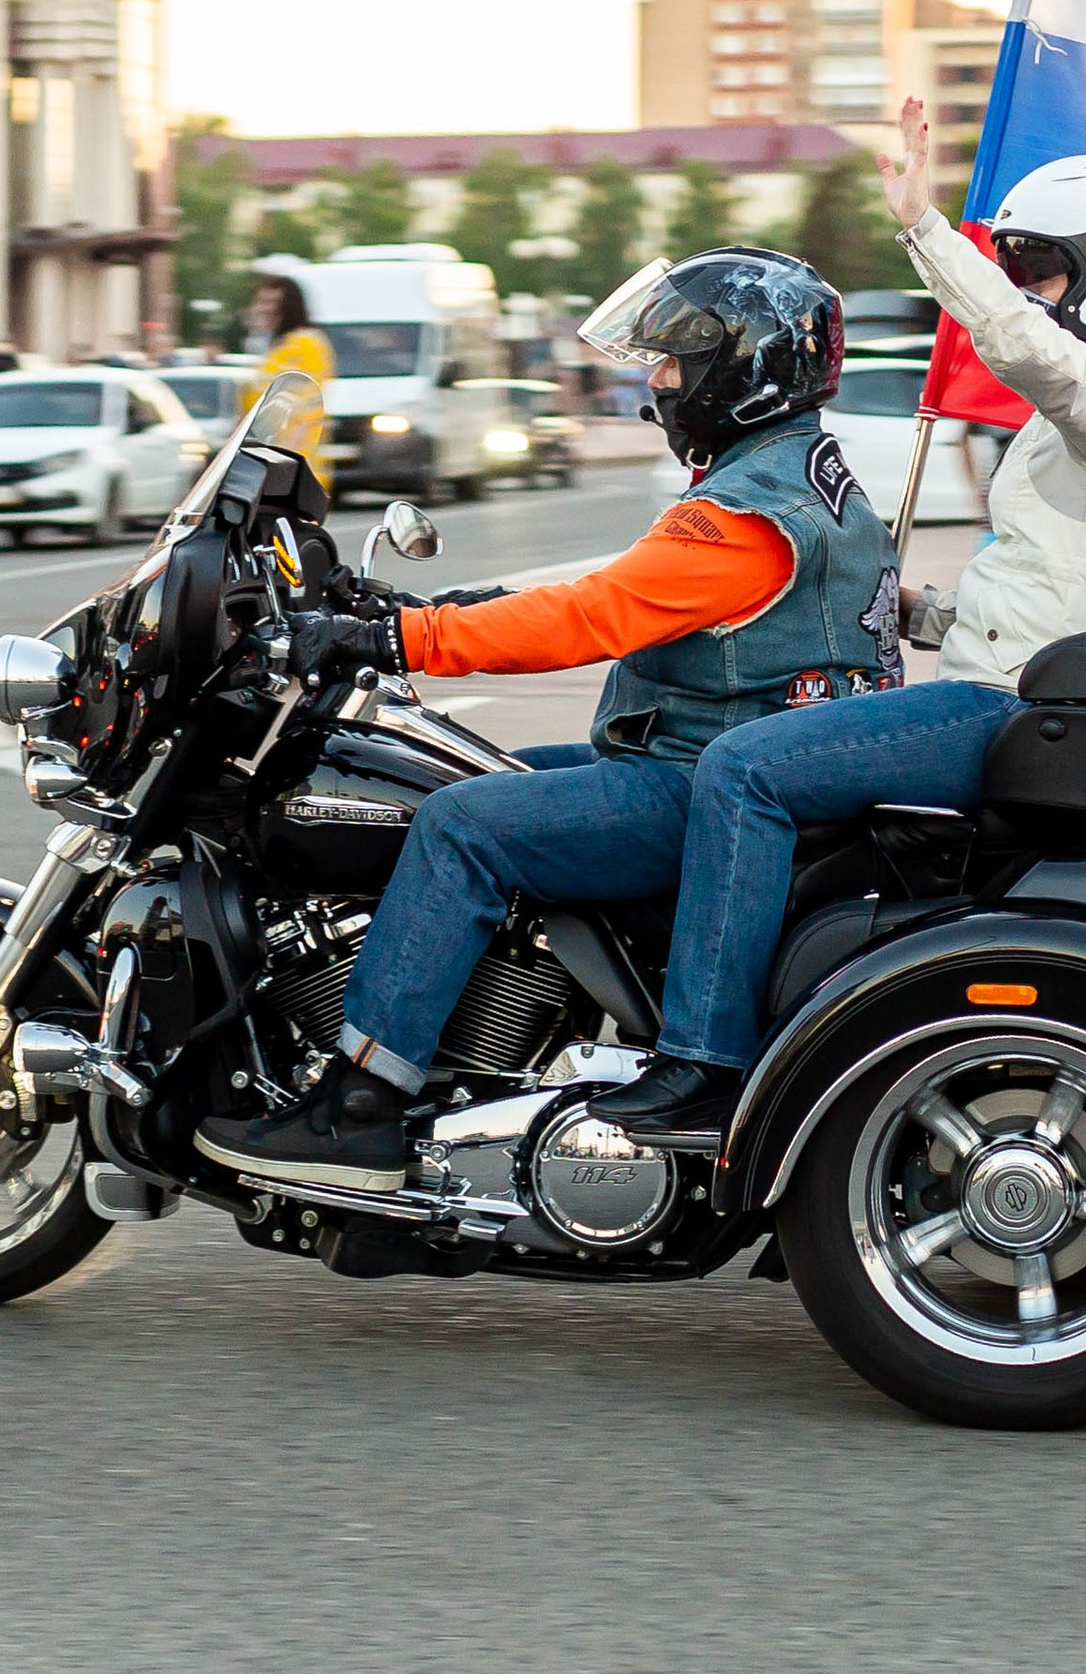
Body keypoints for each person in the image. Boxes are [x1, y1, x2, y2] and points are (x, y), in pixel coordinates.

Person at [193, 248, 901, 1196]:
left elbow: (590, 617)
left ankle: (363, 1099)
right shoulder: (794, 475)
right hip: (725, 755)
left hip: (700, 779)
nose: (658, 380)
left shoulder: (746, 513)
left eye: (677, 360)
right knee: (476, 772)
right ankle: (492, 1048)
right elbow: (626, 585)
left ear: (742, 369)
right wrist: (426, 603)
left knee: (460, 824)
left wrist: (399, 640)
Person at [585, 97, 1086, 1145]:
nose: (1028, 298)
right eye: (1017, 276)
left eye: (1043, 274)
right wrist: (917, 608)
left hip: (1001, 709)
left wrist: (926, 229)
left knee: (740, 767)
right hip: (1005, 679)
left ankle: (701, 1060)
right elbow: (1057, 594)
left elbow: (1036, 358)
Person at [245, 271, 335, 494]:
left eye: (272, 302)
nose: (264, 308)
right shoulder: (281, 346)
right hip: (270, 468)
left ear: (290, 306)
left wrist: (284, 467)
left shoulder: (306, 345)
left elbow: (305, 413)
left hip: (292, 474)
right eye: (261, 301)